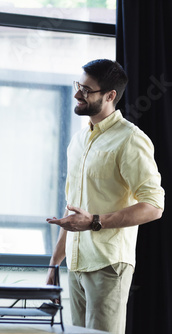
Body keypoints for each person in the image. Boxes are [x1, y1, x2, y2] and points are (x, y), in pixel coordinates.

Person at [46, 59, 165, 334]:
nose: (77, 94)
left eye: (87, 90)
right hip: (76, 264)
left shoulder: (131, 139)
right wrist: (54, 264)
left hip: (108, 265)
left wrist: (94, 221)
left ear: (110, 96)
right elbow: (75, 212)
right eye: (79, 86)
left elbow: (154, 206)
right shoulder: (78, 141)